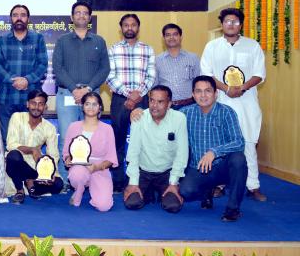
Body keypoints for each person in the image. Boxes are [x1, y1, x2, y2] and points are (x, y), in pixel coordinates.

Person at [200, 8, 267, 202]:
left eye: (235, 21)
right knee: (220, 144)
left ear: (241, 24)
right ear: (222, 24)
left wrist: (242, 88)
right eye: (227, 21)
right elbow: (206, 73)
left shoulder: (252, 46)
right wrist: (226, 89)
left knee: (247, 144)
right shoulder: (212, 46)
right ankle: (219, 185)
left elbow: (259, 73)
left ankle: (253, 186)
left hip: (246, 103)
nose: (231, 25)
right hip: (221, 101)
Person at [52, 1, 110, 189]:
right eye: (78, 13)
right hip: (67, 94)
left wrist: (87, 89)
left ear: (89, 18)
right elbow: (57, 68)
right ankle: (65, 180)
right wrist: (74, 89)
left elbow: (104, 69)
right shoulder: (62, 41)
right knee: (67, 138)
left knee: (90, 137)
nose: (81, 16)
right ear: (72, 17)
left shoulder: (99, 41)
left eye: (85, 13)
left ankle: (89, 177)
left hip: (91, 96)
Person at [178, 76, 247, 222]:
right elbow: (163, 116)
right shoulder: (185, 113)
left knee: (239, 159)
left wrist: (214, 152)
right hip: (198, 167)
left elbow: (239, 141)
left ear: (216, 93)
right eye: (198, 91)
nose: (203, 95)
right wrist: (138, 111)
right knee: (186, 191)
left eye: (208, 91)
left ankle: (232, 209)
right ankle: (207, 192)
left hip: (222, 167)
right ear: (193, 94)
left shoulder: (227, 112)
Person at [106, 13, 156, 193]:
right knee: (117, 141)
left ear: (138, 28)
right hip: (120, 99)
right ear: (121, 29)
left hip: (142, 99)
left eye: (133, 25)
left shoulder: (148, 49)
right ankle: (119, 181)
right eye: (126, 25)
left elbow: (151, 75)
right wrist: (128, 94)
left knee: (143, 140)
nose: (129, 28)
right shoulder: (112, 49)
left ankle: (141, 181)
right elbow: (109, 75)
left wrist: (137, 95)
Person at [124, 85, 187, 213]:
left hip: (166, 173)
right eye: (152, 100)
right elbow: (133, 152)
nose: (154, 105)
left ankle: (157, 193)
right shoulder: (139, 117)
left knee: (172, 206)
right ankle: (148, 192)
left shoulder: (179, 119)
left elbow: (182, 153)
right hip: (144, 172)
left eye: (160, 102)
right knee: (133, 203)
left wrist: (174, 183)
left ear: (169, 104)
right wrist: (133, 183)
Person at [0, 4, 48, 143]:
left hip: (31, 96)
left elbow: (43, 64)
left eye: (23, 15)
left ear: (28, 19)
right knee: (6, 137)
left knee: (30, 138)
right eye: (15, 15)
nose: (19, 18)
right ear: (10, 19)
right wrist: (13, 80)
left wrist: (27, 80)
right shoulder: (2, 40)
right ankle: (8, 163)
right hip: (7, 95)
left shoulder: (38, 39)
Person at [6, 90, 64, 204]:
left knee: (58, 184)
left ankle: (30, 183)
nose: (36, 107)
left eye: (41, 104)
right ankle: (20, 189)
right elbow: (11, 144)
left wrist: (50, 173)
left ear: (45, 106)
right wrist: (32, 150)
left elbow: (53, 154)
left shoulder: (49, 127)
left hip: (35, 167)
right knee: (13, 155)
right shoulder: (17, 117)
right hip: (17, 164)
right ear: (27, 104)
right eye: (33, 103)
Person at [62, 92, 118, 211]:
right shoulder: (73, 126)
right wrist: (68, 160)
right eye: (87, 104)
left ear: (100, 108)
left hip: (100, 169)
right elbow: (66, 153)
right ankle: (78, 191)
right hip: (79, 167)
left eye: (94, 104)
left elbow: (111, 158)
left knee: (104, 206)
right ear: (82, 106)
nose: (90, 107)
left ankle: (96, 191)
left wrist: (96, 167)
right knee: (78, 175)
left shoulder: (107, 129)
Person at [154, 23, 200, 110]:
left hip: (190, 105)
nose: (171, 38)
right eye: (168, 35)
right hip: (166, 107)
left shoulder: (193, 58)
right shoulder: (157, 60)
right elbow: (155, 86)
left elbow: (199, 83)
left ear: (181, 37)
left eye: (175, 34)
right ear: (164, 38)